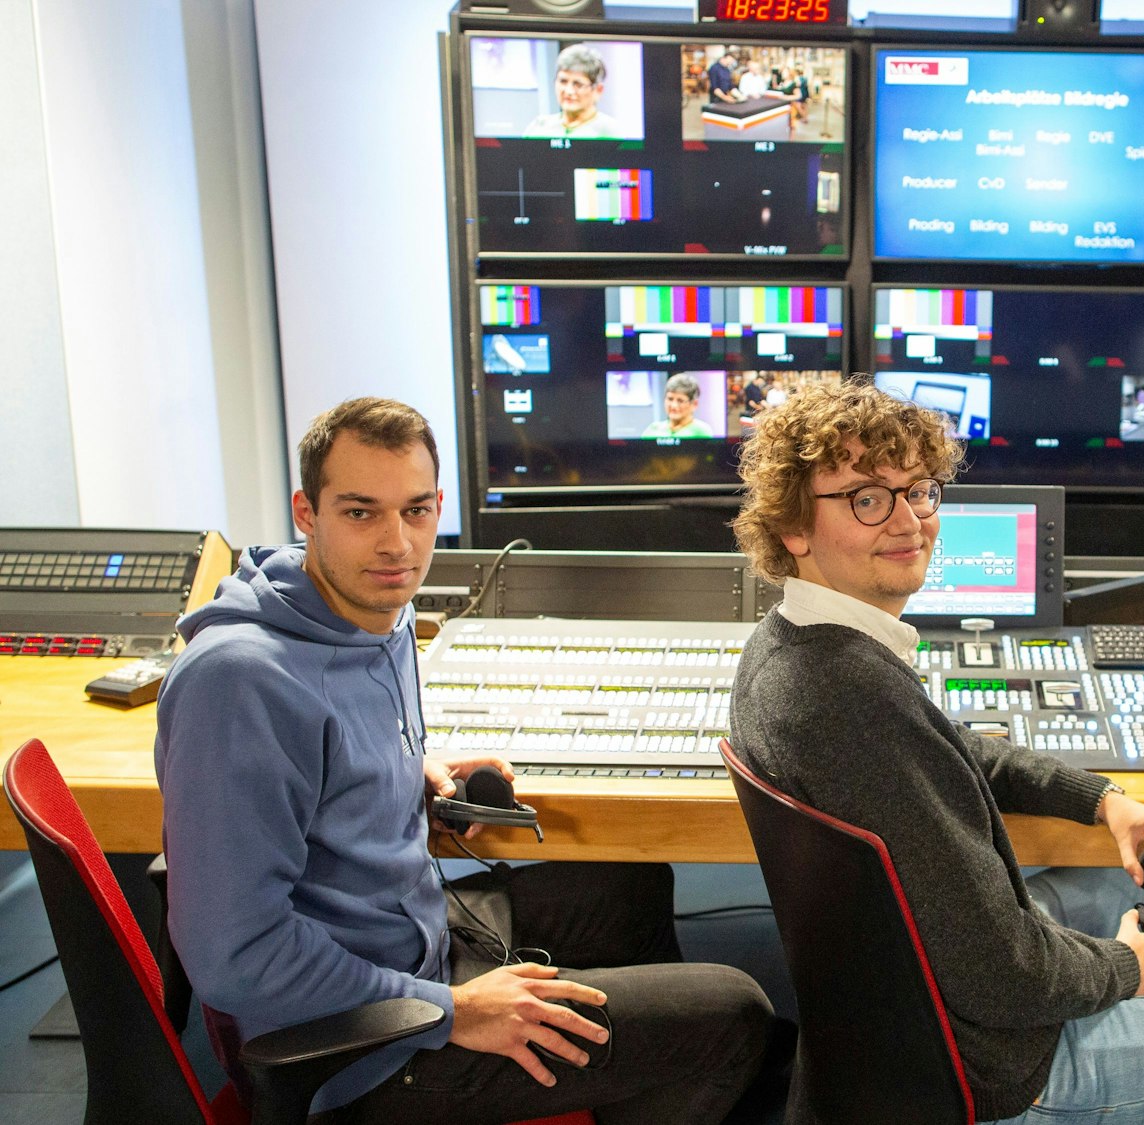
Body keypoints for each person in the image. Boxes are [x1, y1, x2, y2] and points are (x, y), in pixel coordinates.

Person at [728, 383, 1144, 1125]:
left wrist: (1101, 801)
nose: (909, 521)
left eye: (918, 490)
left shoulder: (790, 643)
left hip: (890, 1020)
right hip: (994, 1071)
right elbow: (1000, 975)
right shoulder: (852, 695)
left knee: (1104, 870)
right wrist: (1129, 968)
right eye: (867, 499)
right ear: (793, 525)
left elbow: (949, 746)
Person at [155, 397, 772, 1123]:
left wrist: (400, 769)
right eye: (360, 512)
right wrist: (455, 1011)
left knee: (630, 884)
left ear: (438, 507)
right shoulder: (238, 683)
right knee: (735, 1012)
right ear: (306, 512)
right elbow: (234, 954)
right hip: (357, 1049)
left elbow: (325, 746)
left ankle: (623, 1079)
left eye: (415, 511)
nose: (396, 543)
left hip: (414, 942)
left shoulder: (372, 610)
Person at [523, 44, 623, 140]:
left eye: (578, 84)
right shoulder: (538, 128)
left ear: (598, 90)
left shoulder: (610, 132)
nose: (569, 91)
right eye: (563, 81)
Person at [640, 373, 714, 438]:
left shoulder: (701, 432)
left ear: (694, 404)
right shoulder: (652, 430)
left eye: (680, 401)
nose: (674, 406)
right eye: (670, 399)